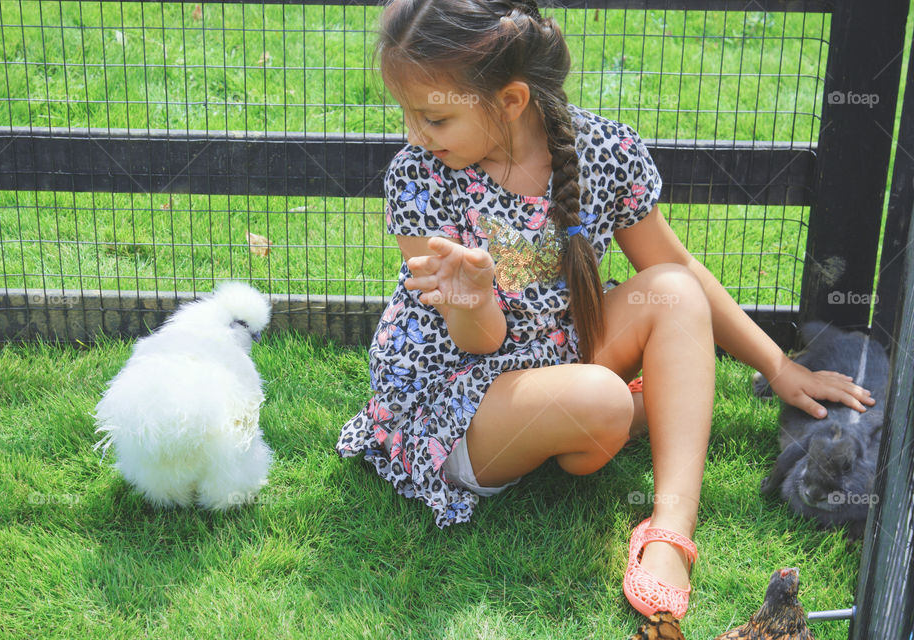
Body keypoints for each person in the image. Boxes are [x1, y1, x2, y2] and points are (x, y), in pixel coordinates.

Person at [335, 0, 875, 619]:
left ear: (510, 100)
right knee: (603, 402)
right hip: (458, 392)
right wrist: (472, 297)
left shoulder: (601, 149)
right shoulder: (420, 177)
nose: (413, 134)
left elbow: (681, 270)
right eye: (407, 114)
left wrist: (780, 367)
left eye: (432, 117)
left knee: (669, 289)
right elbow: (478, 342)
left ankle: (671, 529)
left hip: (557, 353)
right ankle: (634, 408)